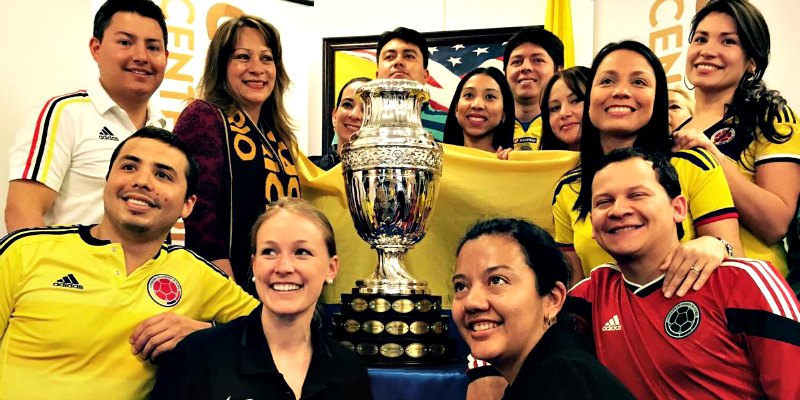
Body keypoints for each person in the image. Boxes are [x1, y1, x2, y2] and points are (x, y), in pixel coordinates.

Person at [0, 127, 259, 399]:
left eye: (162, 175)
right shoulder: (25, 250)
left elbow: (284, 334)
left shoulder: (196, 273)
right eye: (129, 167)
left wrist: (207, 334)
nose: (142, 181)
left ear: (187, 205)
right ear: (107, 181)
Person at [569, 147, 800, 399]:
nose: (618, 210)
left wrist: (720, 243)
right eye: (604, 202)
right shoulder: (590, 297)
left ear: (678, 208)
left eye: (637, 195)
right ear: (592, 224)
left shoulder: (744, 281)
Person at [552, 40, 743, 290]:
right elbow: (575, 292)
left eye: (638, 82)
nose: (620, 91)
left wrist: (717, 246)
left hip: (692, 321)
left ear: (658, 98)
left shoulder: (693, 165)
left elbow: (736, 261)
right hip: (604, 327)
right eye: (607, 81)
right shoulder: (568, 188)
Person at [151, 198, 371, 400]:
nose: (284, 267)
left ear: (331, 269)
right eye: (270, 252)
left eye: (302, 252)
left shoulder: (349, 370)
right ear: (255, 265)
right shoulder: (197, 357)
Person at [6, 0, 168, 232]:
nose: (141, 56)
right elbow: (22, 210)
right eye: (125, 42)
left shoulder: (162, 130)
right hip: (68, 267)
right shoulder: (65, 113)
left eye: (153, 47)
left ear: (166, 56)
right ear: (96, 48)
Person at [672, 0, 800, 277]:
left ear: (752, 62)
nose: (708, 51)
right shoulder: (672, 135)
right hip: (685, 293)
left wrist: (713, 158)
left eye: (728, 41)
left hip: (752, 293)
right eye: (700, 39)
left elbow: (776, 223)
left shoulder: (770, 118)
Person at [172, 15, 300, 288]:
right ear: (222, 66)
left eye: (266, 58)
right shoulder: (203, 117)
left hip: (276, 284)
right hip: (224, 287)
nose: (257, 69)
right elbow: (198, 211)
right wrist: (228, 290)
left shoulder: (276, 135)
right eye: (243, 57)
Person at [453, 218, 635, 399]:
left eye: (497, 280)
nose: (472, 302)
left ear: (552, 299)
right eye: (461, 286)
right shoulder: (547, 374)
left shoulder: (558, 383)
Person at [375, 26, 447, 141]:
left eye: (409, 56)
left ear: (425, 76)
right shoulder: (359, 120)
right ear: (377, 76)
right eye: (389, 57)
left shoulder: (450, 124)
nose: (398, 62)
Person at [502, 27, 564, 151]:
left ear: (559, 70)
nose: (525, 67)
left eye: (537, 60)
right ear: (505, 72)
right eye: (516, 61)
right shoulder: (488, 127)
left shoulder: (570, 125)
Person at [442, 67, 514, 153]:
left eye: (490, 97)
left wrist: (510, 164)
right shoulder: (436, 161)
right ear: (456, 109)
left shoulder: (512, 163)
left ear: (504, 113)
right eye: (469, 95)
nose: (477, 105)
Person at [310, 77, 370, 170]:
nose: (355, 115)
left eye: (366, 109)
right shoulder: (308, 171)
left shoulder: (390, 176)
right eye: (347, 105)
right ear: (335, 116)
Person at [539, 66, 591, 151]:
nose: (563, 113)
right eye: (555, 108)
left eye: (575, 100)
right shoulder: (544, 162)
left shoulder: (617, 162)